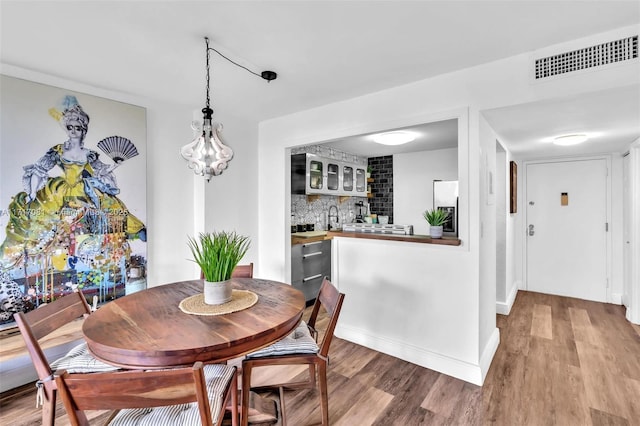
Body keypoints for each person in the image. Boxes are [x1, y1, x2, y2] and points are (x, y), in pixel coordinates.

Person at [0, 98, 145, 271]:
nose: (74, 131)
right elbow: (40, 169)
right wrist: (32, 193)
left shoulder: (90, 154)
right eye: (70, 127)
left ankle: (132, 232)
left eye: (78, 127)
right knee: (41, 221)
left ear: (83, 129)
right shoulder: (58, 150)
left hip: (84, 188)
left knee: (111, 206)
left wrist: (111, 169)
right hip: (60, 190)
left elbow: (102, 172)